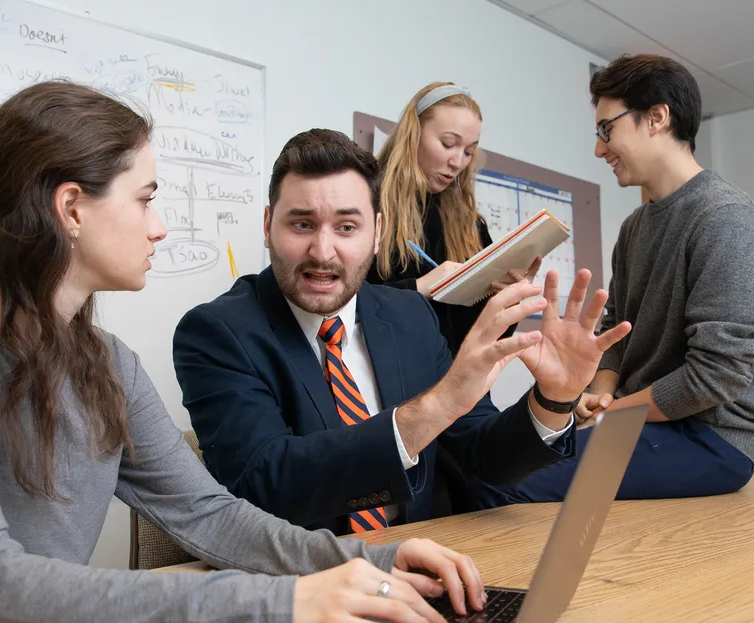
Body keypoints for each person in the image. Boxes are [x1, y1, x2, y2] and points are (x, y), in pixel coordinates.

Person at [0, 81, 506, 623]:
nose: (159, 227)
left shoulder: (107, 364)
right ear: (71, 208)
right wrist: (280, 607)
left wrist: (372, 561)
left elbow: (211, 516)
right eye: (145, 199)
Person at [172, 128, 630, 535]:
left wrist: (553, 398)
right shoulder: (217, 332)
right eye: (301, 224)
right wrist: (440, 403)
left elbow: (479, 456)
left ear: (377, 233)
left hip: (421, 559)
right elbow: (262, 487)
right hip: (305, 583)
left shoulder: (409, 314)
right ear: (268, 225)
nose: (323, 251)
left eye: (347, 226)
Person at [498, 55, 754, 504]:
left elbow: (718, 376)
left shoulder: (727, 220)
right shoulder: (634, 228)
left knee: (513, 486)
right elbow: (617, 331)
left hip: (712, 438)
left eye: (607, 130)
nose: (598, 149)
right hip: (639, 420)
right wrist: (601, 394)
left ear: (657, 117)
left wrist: (612, 414)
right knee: (501, 462)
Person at [367, 81, 541, 357]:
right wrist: (419, 288)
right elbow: (342, 305)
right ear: (413, 135)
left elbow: (483, 337)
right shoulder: (367, 204)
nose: (458, 162)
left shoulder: (470, 225)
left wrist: (506, 300)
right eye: (448, 144)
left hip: (458, 379)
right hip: (387, 377)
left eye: (469, 151)